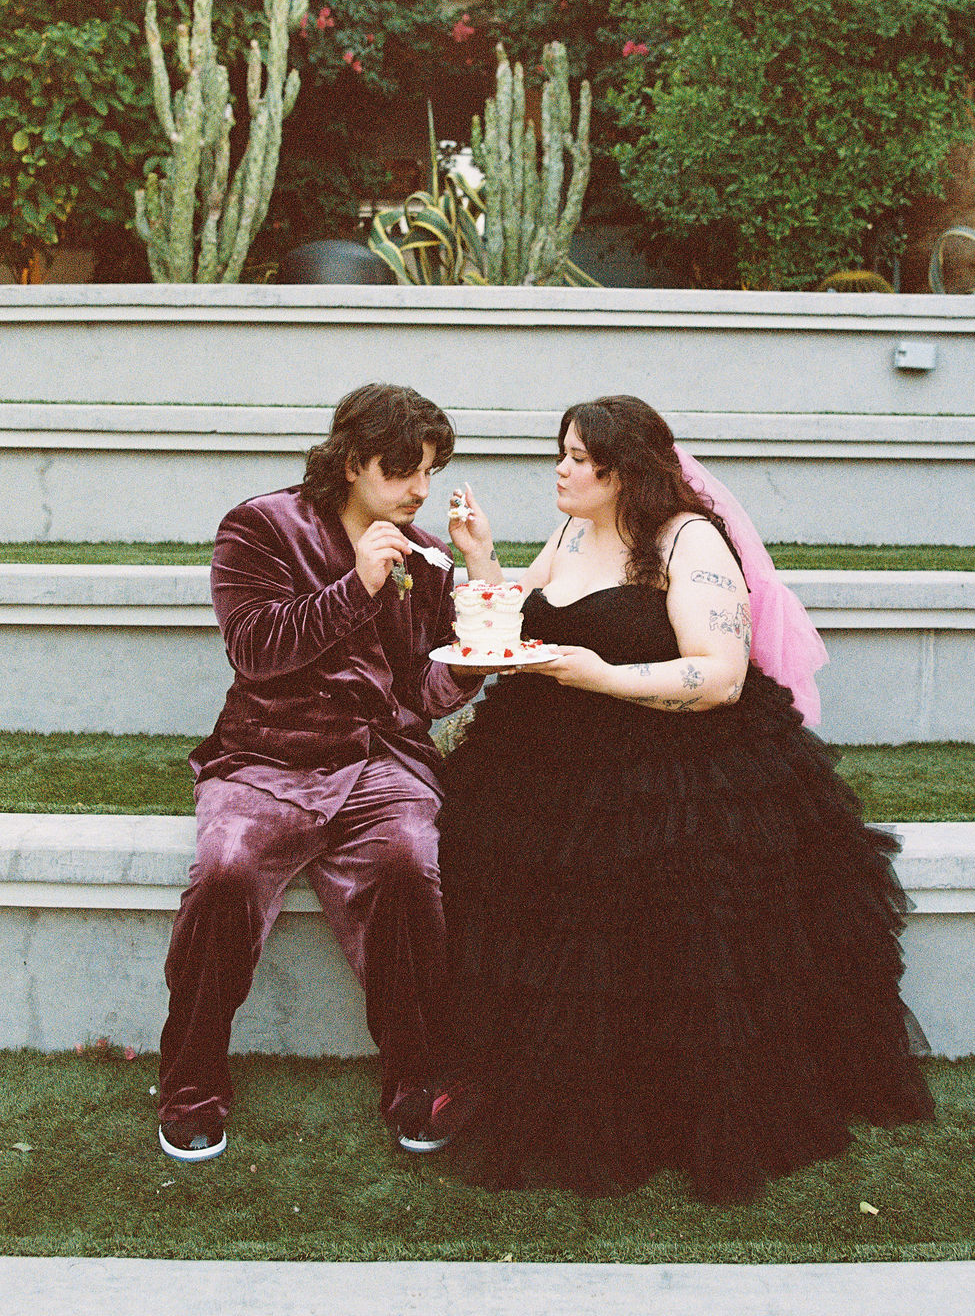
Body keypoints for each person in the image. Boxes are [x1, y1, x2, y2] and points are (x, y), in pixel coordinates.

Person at [436, 394, 934, 1203]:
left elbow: (722, 676)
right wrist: (484, 560)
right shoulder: (570, 531)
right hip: (552, 762)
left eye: (576, 456)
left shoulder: (689, 542)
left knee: (669, 926)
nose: (560, 469)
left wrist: (601, 676)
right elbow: (510, 630)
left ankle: (669, 1107)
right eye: (560, 452)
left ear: (623, 470)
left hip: (674, 771)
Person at [157, 383, 483, 1162]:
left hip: (379, 761)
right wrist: (357, 585)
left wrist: (472, 646)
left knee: (411, 862)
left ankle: (416, 1081)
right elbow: (255, 649)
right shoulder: (260, 527)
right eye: (403, 470)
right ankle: (191, 1080)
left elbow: (423, 693)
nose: (420, 491)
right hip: (267, 757)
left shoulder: (427, 554)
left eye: (431, 471)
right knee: (226, 870)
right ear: (349, 461)